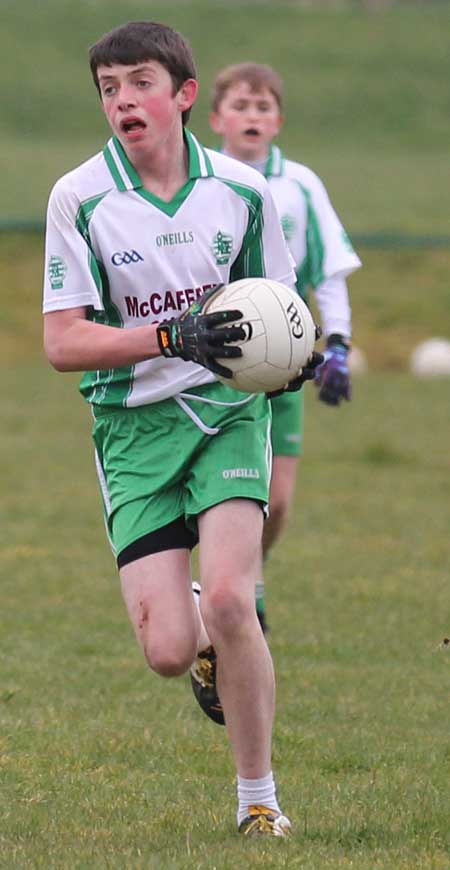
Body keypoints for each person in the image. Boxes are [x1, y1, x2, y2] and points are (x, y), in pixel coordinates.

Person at [42, 22, 322, 837]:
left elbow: (279, 305)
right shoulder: (80, 197)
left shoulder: (242, 192)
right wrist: (170, 335)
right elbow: (62, 342)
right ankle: (193, 621)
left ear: (183, 95)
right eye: (108, 88)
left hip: (229, 413)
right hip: (131, 431)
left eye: (138, 82)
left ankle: (258, 802)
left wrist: (292, 354)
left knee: (238, 600)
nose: (122, 99)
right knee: (168, 650)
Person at [209, 62, 362, 632]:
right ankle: (233, 588)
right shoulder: (201, 179)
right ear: (216, 116)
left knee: (278, 500)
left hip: (287, 362)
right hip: (216, 361)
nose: (252, 116)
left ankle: (251, 575)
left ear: (278, 120)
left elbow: (327, 272)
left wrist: (339, 342)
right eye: (241, 106)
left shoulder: (300, 185)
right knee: (222, 493)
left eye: (263, 107)